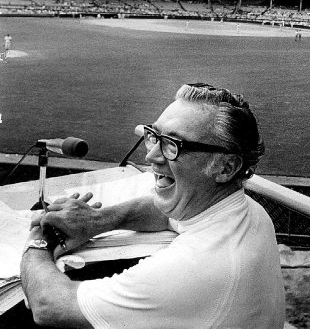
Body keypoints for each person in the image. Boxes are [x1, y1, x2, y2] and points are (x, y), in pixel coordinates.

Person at [21, 83, 285, 328]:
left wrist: (40, 237)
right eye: (154, 135)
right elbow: (167, 213)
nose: (151, 155)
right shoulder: (246, 212)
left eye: (173, 145)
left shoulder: (190, 270)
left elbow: (49, 305)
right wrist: (98, 221)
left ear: (226, 167)